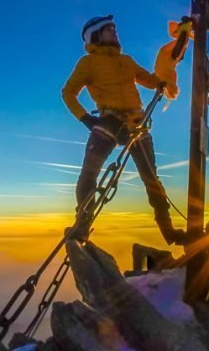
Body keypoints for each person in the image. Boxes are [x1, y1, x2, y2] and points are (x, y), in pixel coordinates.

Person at [62, 14, 188, 245]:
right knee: (89, 175)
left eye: (114, 29)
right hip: (109, 121)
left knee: (151, 179)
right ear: (97, 35)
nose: (115, 32)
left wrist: (172, 62)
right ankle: (82, 226)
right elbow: (68, 93)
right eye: (110, 29)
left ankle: (169, 232)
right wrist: (86, 119)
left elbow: (149, 80)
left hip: (135, 121)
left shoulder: (126, 60)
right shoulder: (87, 63)